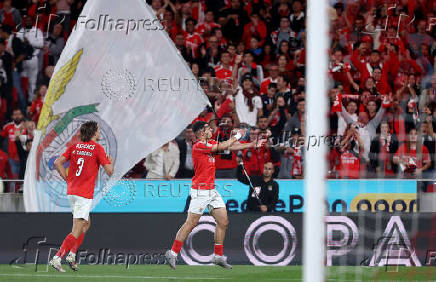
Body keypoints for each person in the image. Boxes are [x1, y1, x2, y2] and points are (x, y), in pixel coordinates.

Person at [165, 120, 265, 270]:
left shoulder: (210, 142)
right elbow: (223, 145)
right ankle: (172, 253)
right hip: (200, 191)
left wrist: (251, 145)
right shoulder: (199, 146)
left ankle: (218, 257)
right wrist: (237, 135)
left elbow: (230, 147)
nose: (210, 129)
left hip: (211, 190)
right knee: (191, 223)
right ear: (200, 133)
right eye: (207, 128)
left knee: (223, 221)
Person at [48, 121, 114, 272]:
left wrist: (66, 179)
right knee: (77, 229)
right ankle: (57, 258)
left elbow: (58, 162)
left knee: (86, 224)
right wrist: (111, 162)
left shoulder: (75, 146)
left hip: (72, 191)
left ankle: (71, 255)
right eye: (98, 130)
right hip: (83, 194)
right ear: (94, 132)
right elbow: (110, 171)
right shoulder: (97, 148)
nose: (99, 132)